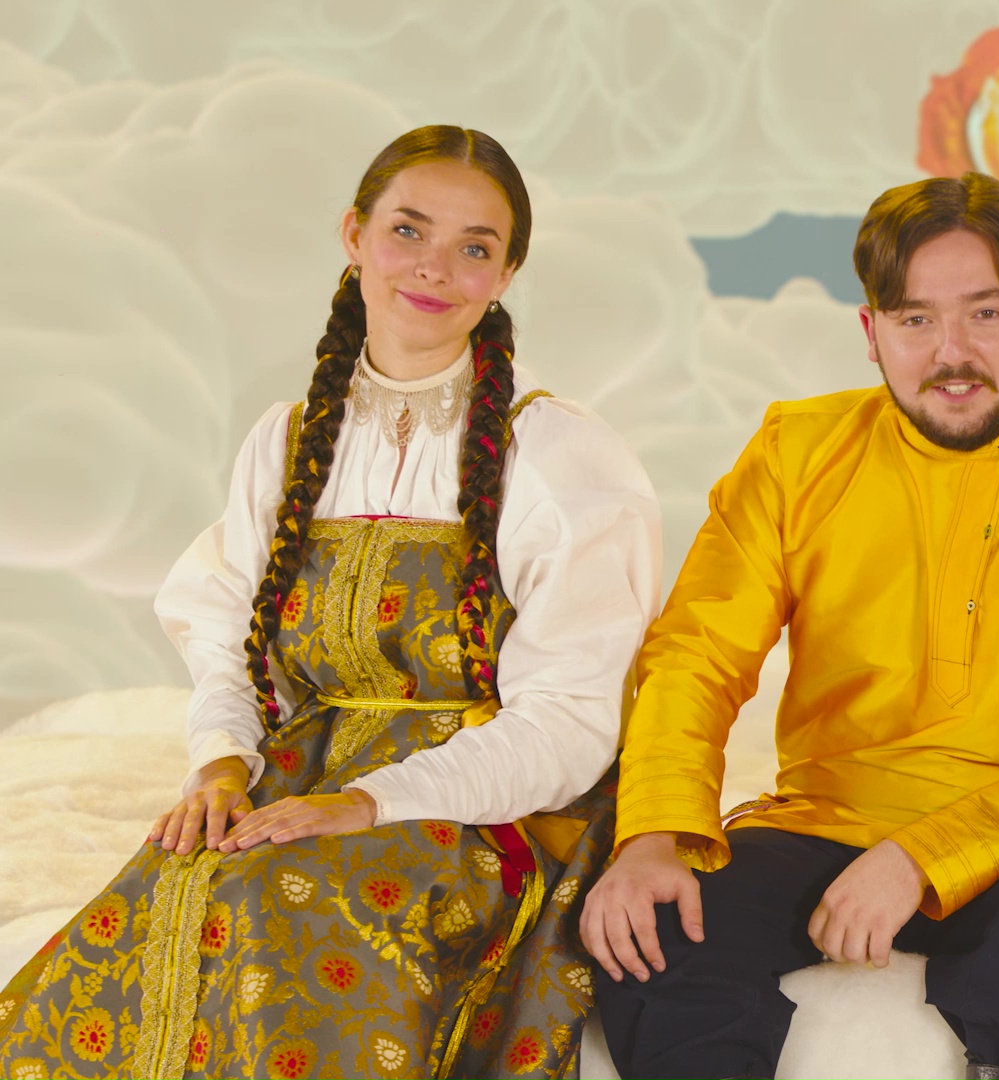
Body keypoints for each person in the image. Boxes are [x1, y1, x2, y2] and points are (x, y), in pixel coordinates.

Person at [0, 125, 662, 1078]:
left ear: (507, 273)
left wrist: (370, 803)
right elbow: (224, 632)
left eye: (475, 247)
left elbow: (569, 721)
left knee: (275, 904)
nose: (434, 268)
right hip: (302, 774)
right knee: (160, 907)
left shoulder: (556, 451)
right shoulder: (289, 439)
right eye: (408, 230)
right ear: (354, 234)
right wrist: (220, 765)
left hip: (490, 803)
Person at [582, 171, 999, 1080]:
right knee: (659, 928)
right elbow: (697, 657)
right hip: (823, 822)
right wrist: (652, 832)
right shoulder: (796, 456)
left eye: (986, 314)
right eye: (916, 320)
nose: (953, 353)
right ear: (871, 334)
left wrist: (920, 858)